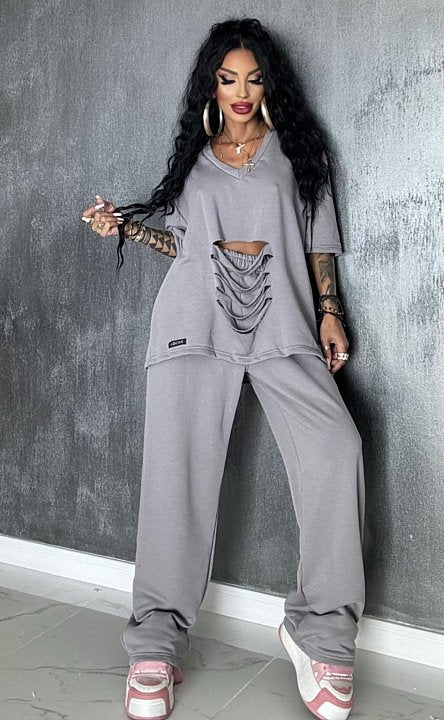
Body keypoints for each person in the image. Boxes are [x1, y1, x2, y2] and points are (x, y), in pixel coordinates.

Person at [81, 17, 365, 720]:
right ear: (211, 84)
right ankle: (155, 645)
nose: (241, 91)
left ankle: (320, 633)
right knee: (175, 480)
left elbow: (319, 240)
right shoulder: (194, 161)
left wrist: (330, 310)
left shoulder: (299, 153)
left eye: (254, 78)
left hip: (285, 325)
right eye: (228, 78)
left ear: (270, 84)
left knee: (338, 450)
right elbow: (183, 247)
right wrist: (124, 227)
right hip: (192, 327)